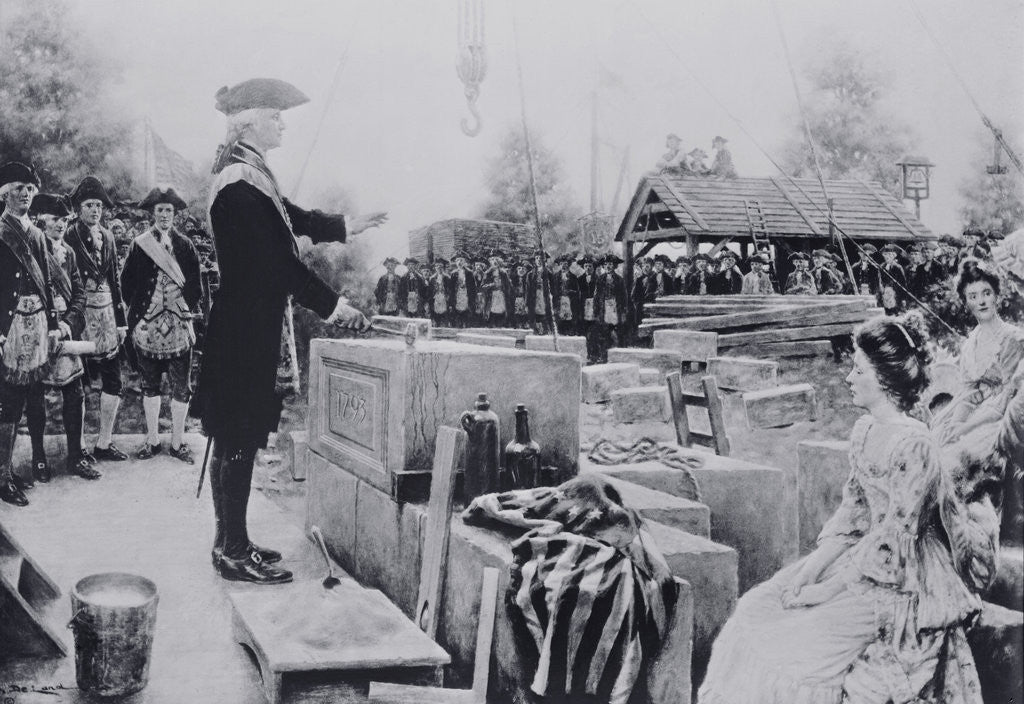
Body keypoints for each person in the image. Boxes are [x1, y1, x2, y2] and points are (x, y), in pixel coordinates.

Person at [699, 313, 986, 704]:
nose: (849, 378)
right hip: (859, 559)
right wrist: (811, 570)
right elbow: (855, 513)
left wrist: (827, 591)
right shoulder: (864, 430)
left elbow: (894, 541)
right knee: (756, 607)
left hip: (902, 580)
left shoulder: (914, 445)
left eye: (859, 370)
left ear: (884, 379)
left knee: (800, 645)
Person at [190, 78, 386, 584]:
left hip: (245, 325)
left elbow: (291, 219)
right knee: (237, 436)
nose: (283, 123)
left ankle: (230, 540)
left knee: (237, 436)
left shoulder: (249, 173)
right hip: (244, 331)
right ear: (251, 120)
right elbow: (276, 260)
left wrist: (345, 225)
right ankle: (232, 549)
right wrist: (332, 304)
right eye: (275, 116)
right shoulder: (238, 180)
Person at [932, 259, 1024, 542]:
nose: (981, 301)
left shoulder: (1013, 339)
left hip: (1001, 418)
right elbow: (967, 393)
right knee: (933, 443)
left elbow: (1003, 400)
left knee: (958, 459)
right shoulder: (969, 342)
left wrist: (963, 429)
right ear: (965, 301)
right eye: (973, 296)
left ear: (997, 295)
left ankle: (976, 535)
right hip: (974, 413)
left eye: (986, 292)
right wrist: (953, 422)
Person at [120, 187, 202, 463]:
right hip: (148, 325)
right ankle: (153, 440)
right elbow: (126, 283)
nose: (165, 215)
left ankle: (178, 443)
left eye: (169, 210)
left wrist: (185, 309)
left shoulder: (186, 245)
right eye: (160, 210)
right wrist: (140, 314)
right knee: (150, 385)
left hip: (179, 324)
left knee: (181, 387)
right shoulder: (139, 244)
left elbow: (196, 286)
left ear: (175, 214)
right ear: (153, 214)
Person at [0, 163, 64, 506]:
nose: (25, 194)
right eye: (18, 188)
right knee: (7, 402)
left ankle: (17, 467)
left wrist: (54, 324)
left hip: (37, 322)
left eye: (29, 188)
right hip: (7, 327)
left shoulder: (38, 235)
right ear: (4, 194)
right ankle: (2, 476)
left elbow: (49, 286)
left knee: (33, 396)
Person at [26, 193, 95, 482]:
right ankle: (39, 457)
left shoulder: (69, 253)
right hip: (37, 331)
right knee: (35, 397)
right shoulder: (27, 250)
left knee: (75, 393)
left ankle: (75, 457)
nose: (60, 225)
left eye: (64, 220)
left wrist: (67, 325)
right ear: (40, 220)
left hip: (64, 332)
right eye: (55, 219)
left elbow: (79, 295)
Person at [64, 176, 129, 462]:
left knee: (114, 380)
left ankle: (104, 442)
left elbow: (115, 280)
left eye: (99, 206)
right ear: (78, 208)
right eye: (89, 205)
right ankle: (77, 449)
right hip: (80, 317)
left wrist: (121, 320)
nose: (95, 210)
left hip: (106, 316)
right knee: (77, 385)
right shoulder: (68, 237)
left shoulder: (110, 237)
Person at [551, 254, 580, 335]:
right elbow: (552, 290)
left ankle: (569, 332)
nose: (563, 266)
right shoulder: (555, 276)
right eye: (561, 264)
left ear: (569, 265)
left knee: (569, 319)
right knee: (559, 318)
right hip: (558, 301)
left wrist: (570, 292)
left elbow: (577, 291)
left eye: (566, 264)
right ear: (559, 265)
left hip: (569, 300)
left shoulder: (573, 277)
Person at [482, 253, 511, 327]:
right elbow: (482, 286)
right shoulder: (487, 273)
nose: (494, 261)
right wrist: (491, 285)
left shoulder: (503, 273)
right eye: (492, 260)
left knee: (502, 310)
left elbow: (508, 286)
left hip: (501, 294)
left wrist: (505, 289)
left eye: (496, 260)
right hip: (492, 295)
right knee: (491, 311)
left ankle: (502, 323)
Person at [877, 243, 906, 314]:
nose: (887, 257)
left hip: (895, 296)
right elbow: (879, 280)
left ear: (894, 256)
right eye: (885, 254)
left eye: (890, 254)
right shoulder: (881, 267)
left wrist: (903, 298)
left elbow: (903, 284)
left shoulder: (898, 267)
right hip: (884, 295)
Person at [449, 252, 476, 328]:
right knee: (457, 314)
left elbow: (473, 288)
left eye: (461, 260)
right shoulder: (453, 274)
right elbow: (451, 289)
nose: (459, 262)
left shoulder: (469, 273)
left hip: (466, 295)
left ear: (465, 262)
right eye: (457, 260)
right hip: (457, 295)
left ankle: (466, 326)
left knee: (466, 313)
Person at [427, 257, 452, 327]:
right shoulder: (432, 278)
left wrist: (449, 302)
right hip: (436, 299)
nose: (439, 268)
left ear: (443, 267)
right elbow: (430, 292)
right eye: (437, 266)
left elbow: (450, 291)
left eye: (440, 266)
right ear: (435, 268)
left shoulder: (447, 277)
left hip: (444, 299)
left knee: (445, 318)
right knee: (436, 318)